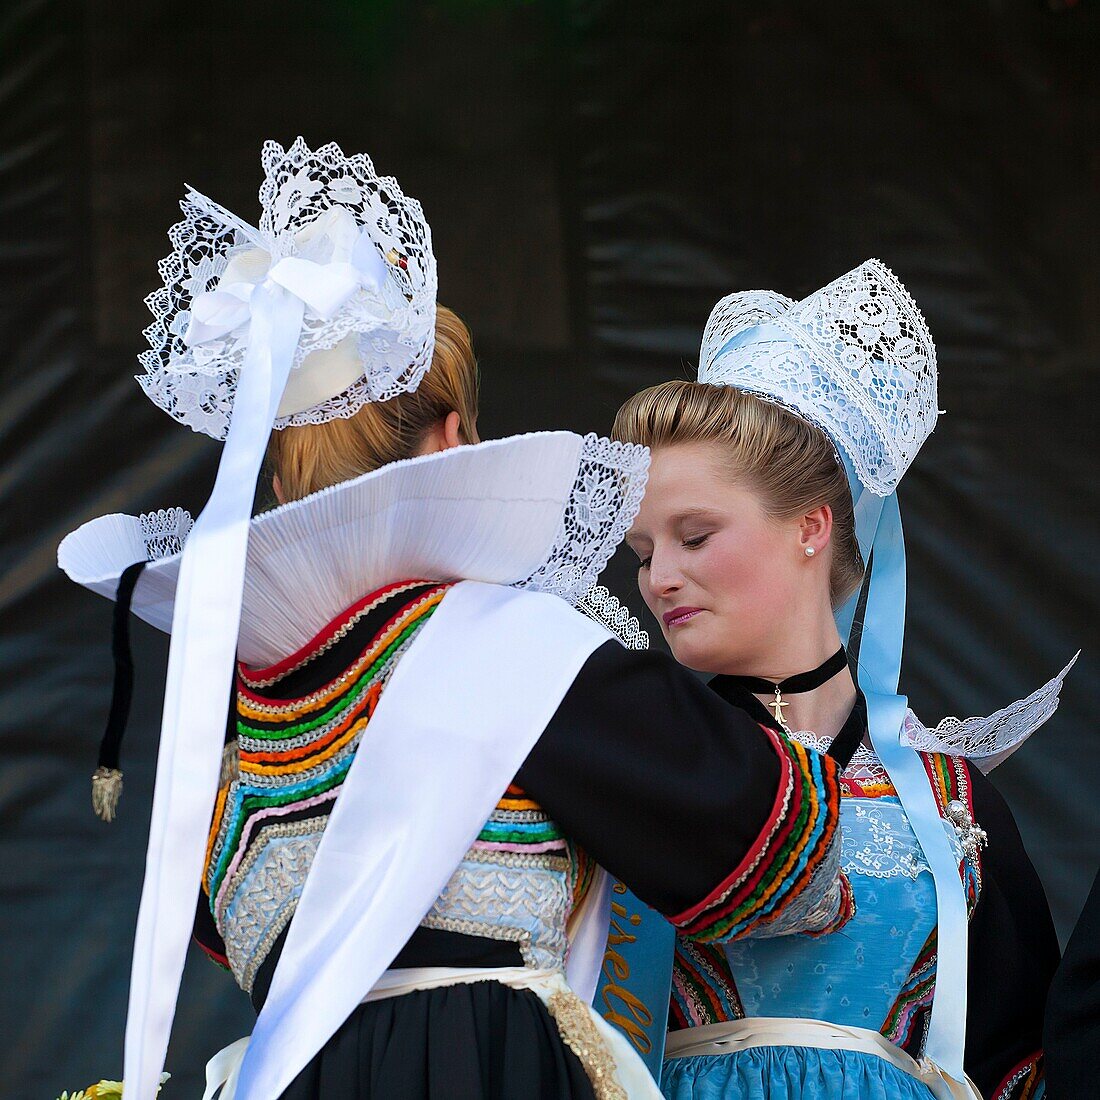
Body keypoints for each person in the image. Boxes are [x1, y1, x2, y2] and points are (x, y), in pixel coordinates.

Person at [59, 139, 850, 1100]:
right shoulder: (514, 654)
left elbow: (230, 933)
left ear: (279, 473)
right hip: (477, 1068)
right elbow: (776, 856)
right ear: (453, 439)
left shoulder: (237, 718)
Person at [610, 261, 1067, 1100]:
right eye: (643, 552)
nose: (658, 578)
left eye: (695, 536)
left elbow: (1022, 1060)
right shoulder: (625, 758)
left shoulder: (951, 800)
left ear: (812, 528)